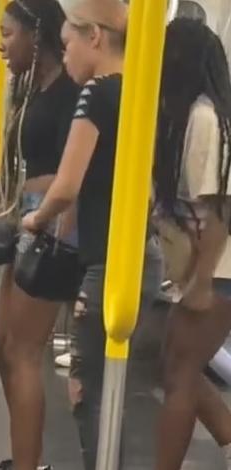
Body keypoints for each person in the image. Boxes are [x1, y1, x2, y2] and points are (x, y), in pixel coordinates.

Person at [20, 1, 163, 469]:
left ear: (94, 37)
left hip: (108, 260)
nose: (65, 57)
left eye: (68, 45)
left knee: (88, 389)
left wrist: (34, 220)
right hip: (142, 254)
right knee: (111, 389)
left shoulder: (96, 93)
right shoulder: (140, 91)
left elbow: (66, 186)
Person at [0, 1, 80, 469]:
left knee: (22, 351)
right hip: (31, 217)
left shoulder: (71, 91)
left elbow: (75, 175)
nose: (2, 46)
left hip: (53, 224)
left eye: (8, 34)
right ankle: (31, 459)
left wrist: (50, 227)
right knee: (1, 347)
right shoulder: (35, 89)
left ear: (35, 33)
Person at [153, 19, 231, 470]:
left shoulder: (204, 118)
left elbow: (221, 210)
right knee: (176, 364)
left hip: (218, 269)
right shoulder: (188, 117)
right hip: (207, 266)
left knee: (180, 373)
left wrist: (200, 282)